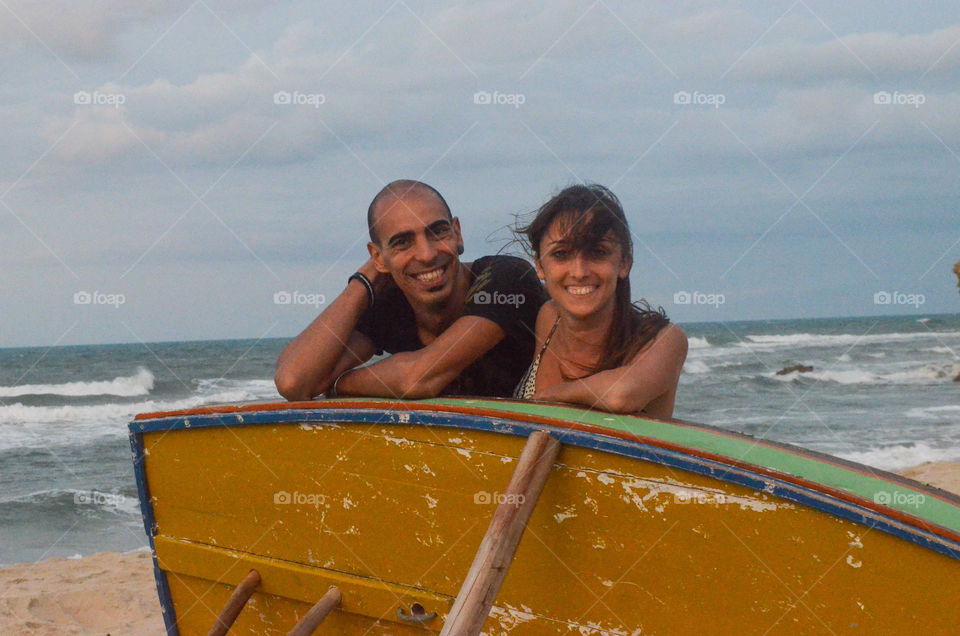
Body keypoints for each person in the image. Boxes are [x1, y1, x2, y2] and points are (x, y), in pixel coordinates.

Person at [275, 179, 547, 400]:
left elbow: (419, 377)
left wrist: (338, 385)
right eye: (403, 242)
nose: (427, 255)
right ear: (377, 257)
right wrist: (363, 281)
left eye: (437, 232)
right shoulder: (394, 304)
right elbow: (294, 382)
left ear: (457, 233)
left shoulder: (505, 280)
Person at [514, 184, 687, 418]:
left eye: (597, 253)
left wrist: (550, 397)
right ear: (540, 266)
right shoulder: (549, 317)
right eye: (561, 254)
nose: (579, 271)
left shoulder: (663, 339)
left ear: (624, 263)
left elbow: (620, 395)